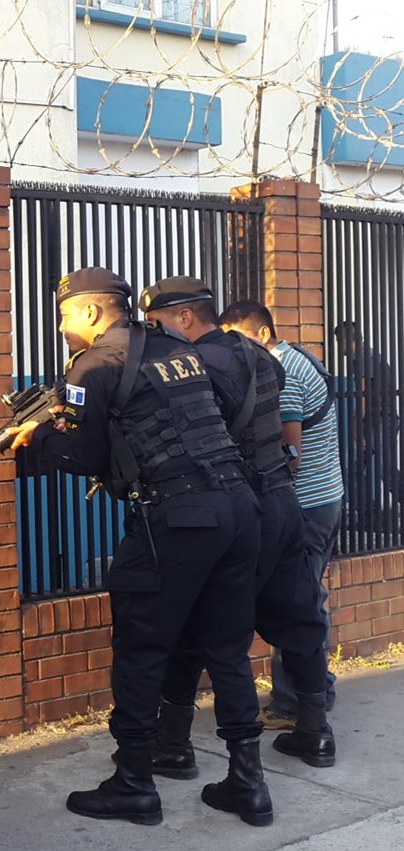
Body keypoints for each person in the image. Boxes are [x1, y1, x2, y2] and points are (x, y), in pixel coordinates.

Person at [5, 267, 269, 827]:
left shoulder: (96, 363)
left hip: (176, 516)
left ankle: (133, 782)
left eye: (65, 315)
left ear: (94, 313)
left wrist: (42, 435)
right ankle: (249, 782)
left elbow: (86, 457)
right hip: (240, 507)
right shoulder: (177, 346)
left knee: (141, 648)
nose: (61, 328)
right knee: (226, 648)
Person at [140, 277, 335, 773]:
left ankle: (176, 745)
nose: (153, 335)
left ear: (185, 318)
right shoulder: (260, 355)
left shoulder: (197, 366)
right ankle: (315, 731)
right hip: (283, 502)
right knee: (299, 615)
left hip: (239, 508)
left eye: (156, 323)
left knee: (197, 623)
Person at [219, 301, 343, 726]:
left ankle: (295, 703)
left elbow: (289, 454)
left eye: (237, 337)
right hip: (324, 499)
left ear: (263, 335)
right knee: (306, 599)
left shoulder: (279, 372)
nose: (231, 349)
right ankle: (315, 691)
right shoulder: (304, 356)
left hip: (306, 504)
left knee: (295, 604)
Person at [334, 320, 400, 526]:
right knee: (364, 468)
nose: (338, 347)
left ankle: (370, 514)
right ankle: (370, 513)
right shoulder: (369, 357)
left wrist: (356, 429)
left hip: (378, 422)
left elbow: (361, 397)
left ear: (346, 341)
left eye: (339, 342)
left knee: (374, 470)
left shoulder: (363, 359)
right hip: (380, 421)